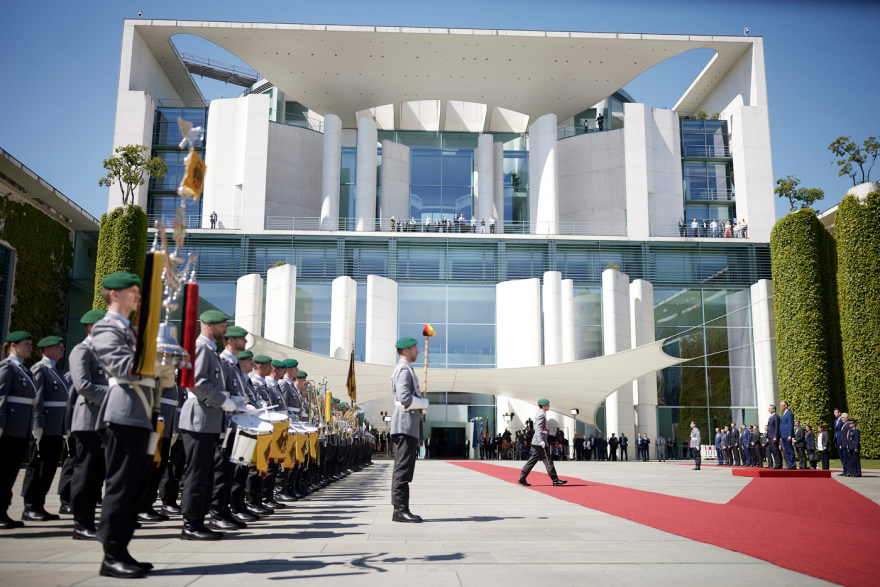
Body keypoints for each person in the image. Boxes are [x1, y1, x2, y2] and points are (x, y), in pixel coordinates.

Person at [91, 272, 162, 578]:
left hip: (141, 416)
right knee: (120, 487)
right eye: (133, 291)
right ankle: (111, 554)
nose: (138, 296)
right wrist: (158, 360)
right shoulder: (106, 328)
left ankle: (122, 548)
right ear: (115, 295)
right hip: (122, 416)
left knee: (136, 487)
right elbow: (123, 367)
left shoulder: (131, 331)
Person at [179, 310, 237, 541]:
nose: (225, 329)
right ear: (207, 326)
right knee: (196, 474)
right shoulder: (201, 349)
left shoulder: (211, 351)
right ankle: (190, 524)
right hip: (198, 418)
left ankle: (198, 521)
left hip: (209, 420)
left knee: (205, 473)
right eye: (221, 325)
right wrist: (224, 401)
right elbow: (197, 384)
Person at [67, 309, 108, 540]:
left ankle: (91, 521)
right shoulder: (82, 350)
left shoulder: (104, 352)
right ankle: (81, 523)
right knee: (85, 473)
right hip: (89, 420)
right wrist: (111, 399)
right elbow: (83, 385)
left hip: (104, 421)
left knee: (97, 475)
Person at [21, 336, 68, 523]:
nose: (63, 348)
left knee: (48, 469)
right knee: (37, 467)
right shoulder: (41, 370)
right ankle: (30, 506)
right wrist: (37, 425)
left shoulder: (55, 370)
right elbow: (37, 400)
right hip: (44, 428)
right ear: (47, 350)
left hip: (55, 429)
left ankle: (39, 505)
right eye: (59, 346)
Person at [0, 331, 37, 529]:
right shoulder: (8, 367)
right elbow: (0, 397)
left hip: (20, 430)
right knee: (3, 472)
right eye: (26, 344)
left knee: (10, 473)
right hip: (9, 431)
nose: (30, 347)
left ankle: (3, 511)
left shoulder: (23, 369)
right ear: (13, 346)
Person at [390, 337, 428, 522]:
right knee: (403, 468)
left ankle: (400, 508)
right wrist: (423, 402)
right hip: (405, 423)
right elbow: (405, 398)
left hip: (407, 423)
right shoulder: (404, 370)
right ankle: (400, 509)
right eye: (415, 349)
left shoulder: (406, 369)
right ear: (406, 351)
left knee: (404, 467)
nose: (418, 352)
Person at [518, 399, 567, 486]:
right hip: (540, 442)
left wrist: (547, 432)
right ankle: (555, 479)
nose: (549, 406)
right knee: (548, 459)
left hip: (539, 441)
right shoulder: (541, 414)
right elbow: (538, 428)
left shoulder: (542, 413)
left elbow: (541, 429)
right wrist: (541, 440)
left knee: (533, 460)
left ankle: (522, 476)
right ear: (544, 406)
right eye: (548, 405)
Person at [779, 400, 795, 469]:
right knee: (786, 450)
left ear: (785, 405)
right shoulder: (784, 414)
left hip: (787, 435)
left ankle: (792, 464)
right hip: (783, 435)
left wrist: (789, 435)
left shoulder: (789, 413)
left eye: (781, 405)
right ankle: (789, 464)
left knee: (790, 450)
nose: (780, 407)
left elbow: (790, 425)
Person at [834, 409, 849, 476]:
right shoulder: (835, 421)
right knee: (841, 456)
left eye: (836, 412)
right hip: (837, 440)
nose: (834, 413)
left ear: (839, 413)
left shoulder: (842, 420)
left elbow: (843, 431)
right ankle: (844, 470)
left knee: (844, 456)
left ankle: (847, 470)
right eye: (834, 412)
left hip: (841, 440)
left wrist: (841, 442)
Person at [767, 404, 782, 469]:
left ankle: (778, 464)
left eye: (770, 408)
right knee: (773, 450)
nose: (769, 409)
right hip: (770, 436)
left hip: (773, 436)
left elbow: (776, 427)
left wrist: (775, 436)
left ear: (774, 409)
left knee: (776, 450)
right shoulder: (771, 417)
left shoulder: (776, 417)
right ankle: (776, 463)